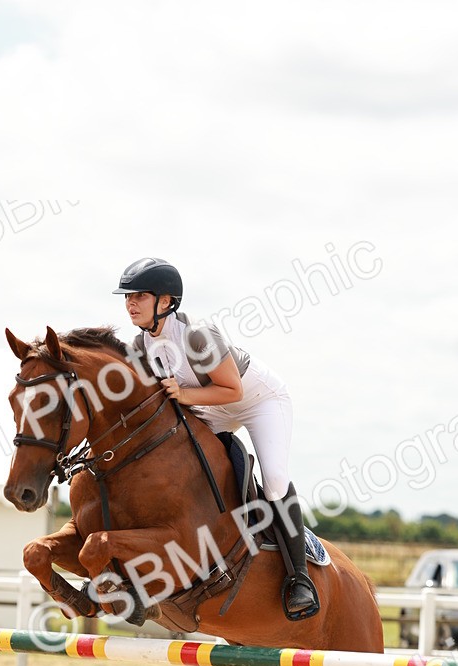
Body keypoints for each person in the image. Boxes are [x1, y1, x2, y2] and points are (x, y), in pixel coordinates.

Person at [113, 256, 320, 620]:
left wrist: (186, 396)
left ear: (165, 301)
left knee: (273, 479)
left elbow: (232, 389)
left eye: (139, 296)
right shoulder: (139, 344)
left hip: (258, 400)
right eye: (127, 297)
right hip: (212, 406)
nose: (130, 303)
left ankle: (299, 578)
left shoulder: (197, 336)